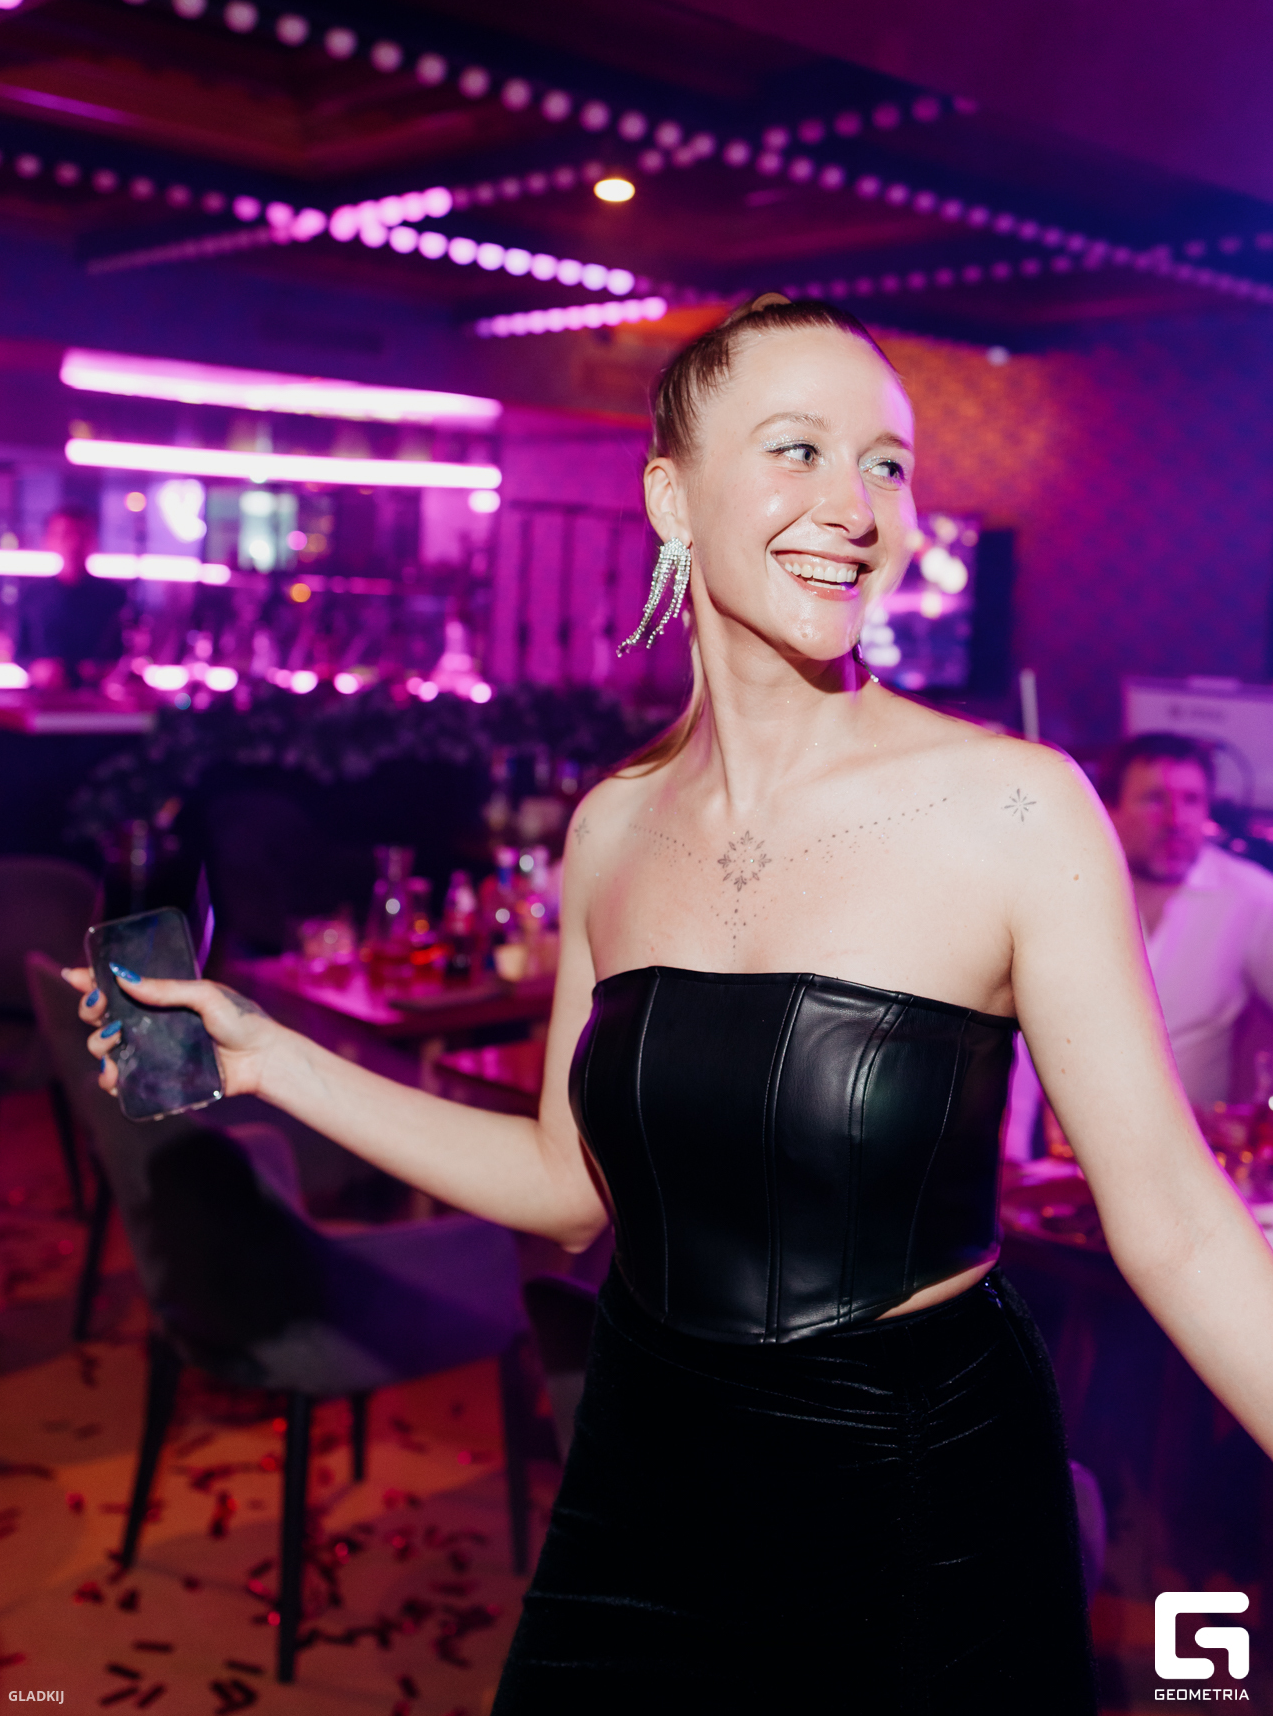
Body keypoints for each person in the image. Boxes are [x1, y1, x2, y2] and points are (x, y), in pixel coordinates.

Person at [67, 297, 1273, 1713]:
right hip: (643, 1454)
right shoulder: (611, 828)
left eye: (886, 464)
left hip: (914, 1484)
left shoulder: (1014, 806)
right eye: (797, 449)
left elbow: (1175, 1222)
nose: (856, 507)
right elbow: (562, 1186)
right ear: (669, 497)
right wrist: (272, 1059)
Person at [1104, 732, 1273, 1109]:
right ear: (1109, 809)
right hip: (1064, 1140)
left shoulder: (1251, 897)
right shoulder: (1071, 889)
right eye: (1154, 799)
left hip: (1190, 1138)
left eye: (1192, 800)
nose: (1175, 819)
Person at [17, 505, 126, 689]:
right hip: (43, 696)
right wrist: (38, 669)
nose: (74, 543)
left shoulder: (113, 595)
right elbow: (20, 652)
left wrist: (99, 669)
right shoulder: (32, 594)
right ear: (48, 540)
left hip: (95, 697)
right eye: (65, 535)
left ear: (93, 540)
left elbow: (122, 652)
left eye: (81, 535)